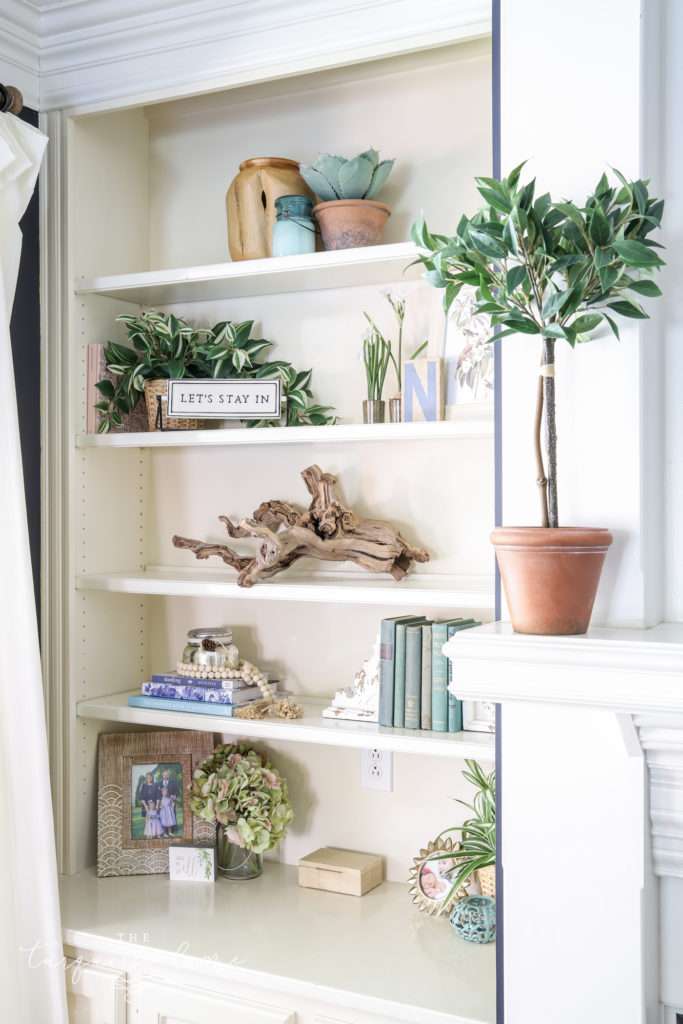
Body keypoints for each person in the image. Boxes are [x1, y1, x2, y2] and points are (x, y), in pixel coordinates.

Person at [161, 769, 181, 833]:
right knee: (164, 816)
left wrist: (173, 798)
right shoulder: (159, 783)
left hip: (171, 802)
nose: (165, 776)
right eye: (164, 774)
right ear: (162, 775)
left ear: (168, 775)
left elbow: (177, 791)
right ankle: (165, 830)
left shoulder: (173, 782)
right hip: (163, 802)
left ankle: (174, 829)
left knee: (172, 815)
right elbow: (158, 793)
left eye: (167, 774)